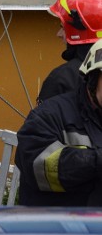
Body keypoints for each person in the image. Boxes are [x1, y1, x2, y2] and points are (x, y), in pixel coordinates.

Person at [16, 38, 102, 206]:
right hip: (57, 227)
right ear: (92, 79)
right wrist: (95, 161)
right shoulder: (50, 116)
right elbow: (35, 164)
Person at [37, 0, 102, 105]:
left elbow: (42, 122)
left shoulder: (61, 79)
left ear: (78, 32)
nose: (58, 34)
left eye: (62, 28)